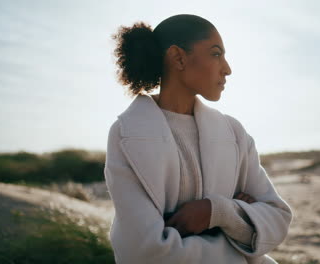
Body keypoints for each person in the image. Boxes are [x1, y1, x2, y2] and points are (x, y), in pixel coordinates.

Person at [104, 14, 293, 264]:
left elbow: (277, 219)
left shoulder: (234, 133)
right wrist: (241, 224)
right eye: (216, 54)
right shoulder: (126, 133)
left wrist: (218, 212)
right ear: (178, 58)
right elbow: (146, 252)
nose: (227, 68)